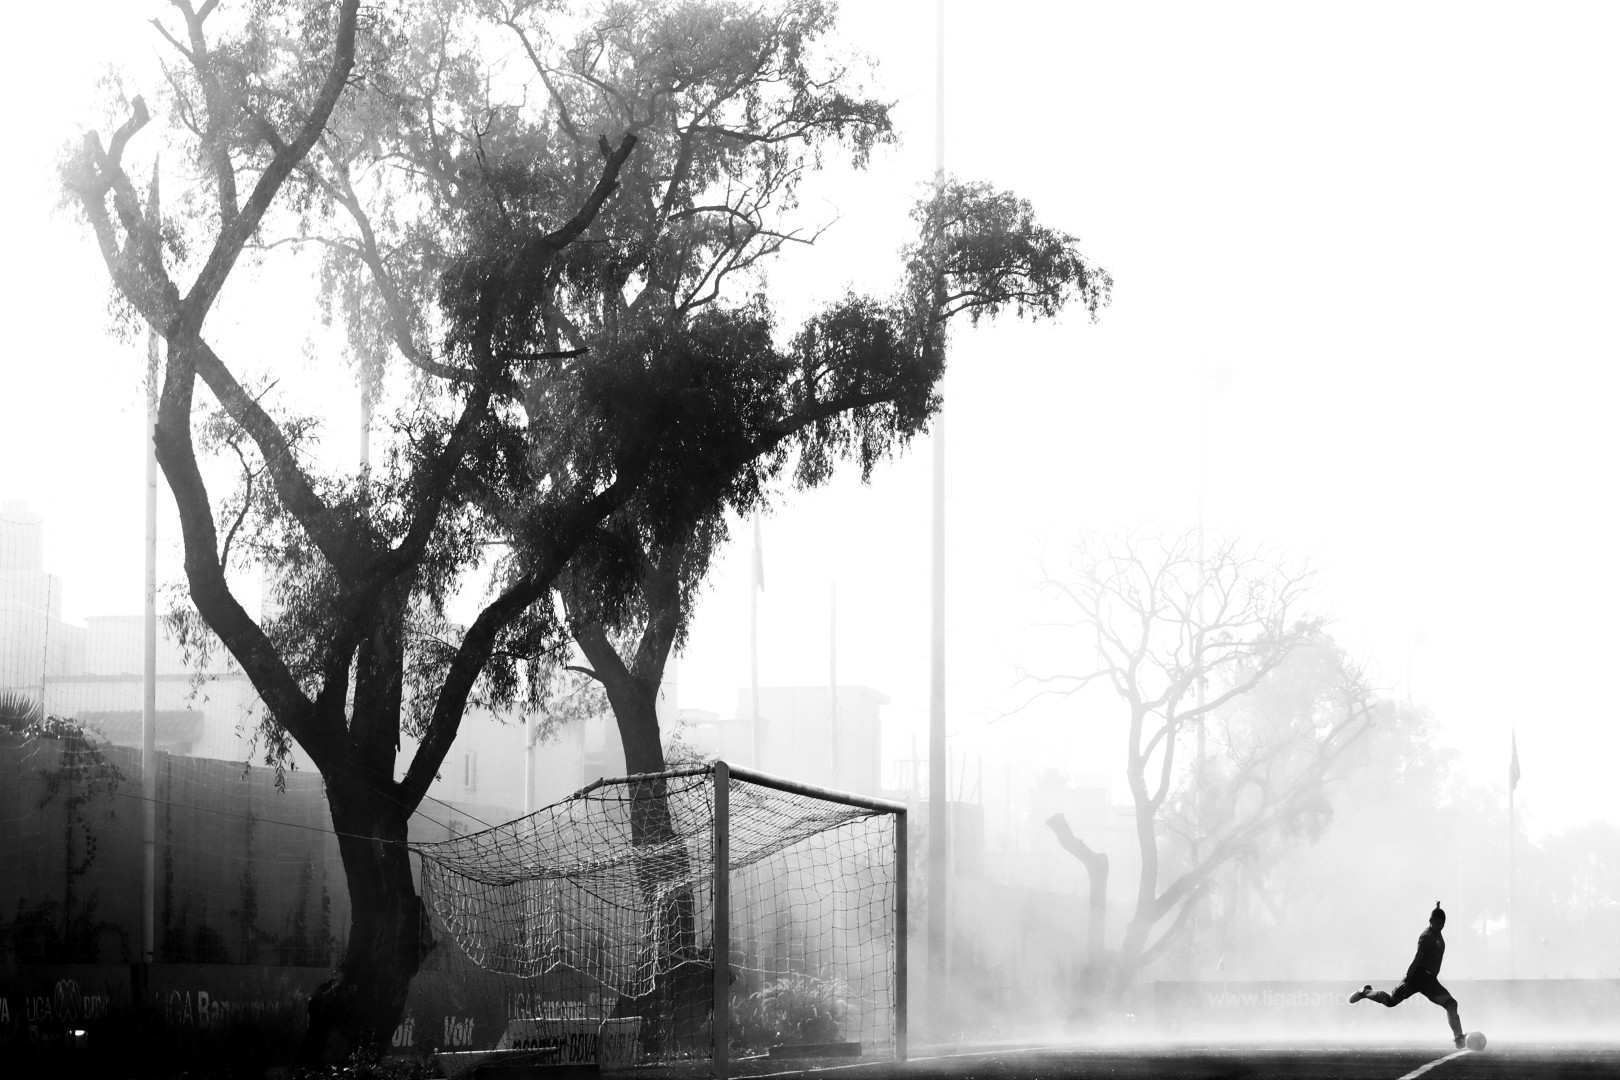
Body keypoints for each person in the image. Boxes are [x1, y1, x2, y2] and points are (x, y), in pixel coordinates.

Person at [1349, 901, 1466, 1049]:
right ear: (1430, 922)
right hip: (1417, 977)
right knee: (1391, 1002)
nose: (1440, 926)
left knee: (1451, 1004)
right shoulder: (1426, 937)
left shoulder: (1437, 931)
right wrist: (1407, 979)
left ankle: (1458, 1038)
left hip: (1430, 980)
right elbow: (1417, 959)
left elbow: (1437, 918)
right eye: (1437, 923)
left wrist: (1437, 908)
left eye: (1442, 923)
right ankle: (1365, 992)